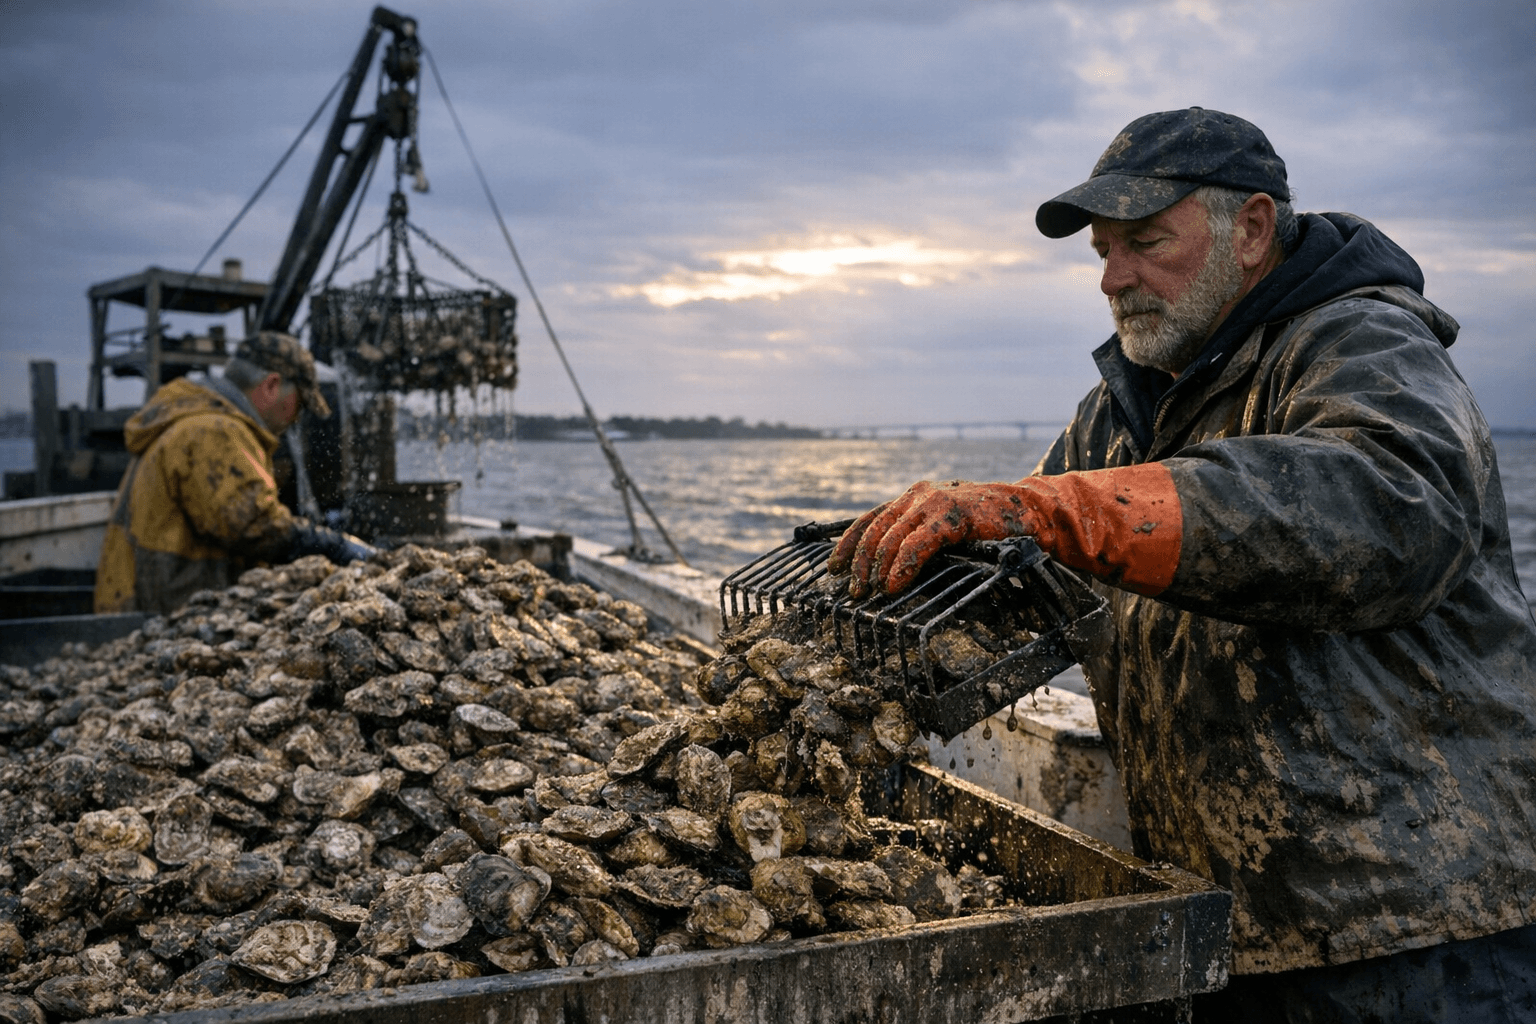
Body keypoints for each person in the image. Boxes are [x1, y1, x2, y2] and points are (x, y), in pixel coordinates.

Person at [829, 107, 1536, 1021]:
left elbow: (1388, 512)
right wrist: (876, 605)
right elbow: (1026, 569)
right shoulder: (1120, 410)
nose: (1114, 278)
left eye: (1146, 242)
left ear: (1249, 228)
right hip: (1219, 928)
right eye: (1102, 253)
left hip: (1417, 931)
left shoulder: (1361, 342)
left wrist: (1050, 507)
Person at [95, 331, 374, 616]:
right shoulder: (214, 432)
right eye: (299, 403)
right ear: (271, 386)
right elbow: (254, 526)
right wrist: (334, 546)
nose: (297, 416)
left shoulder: (200, 422)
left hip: (153, 602)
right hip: (161, 615)